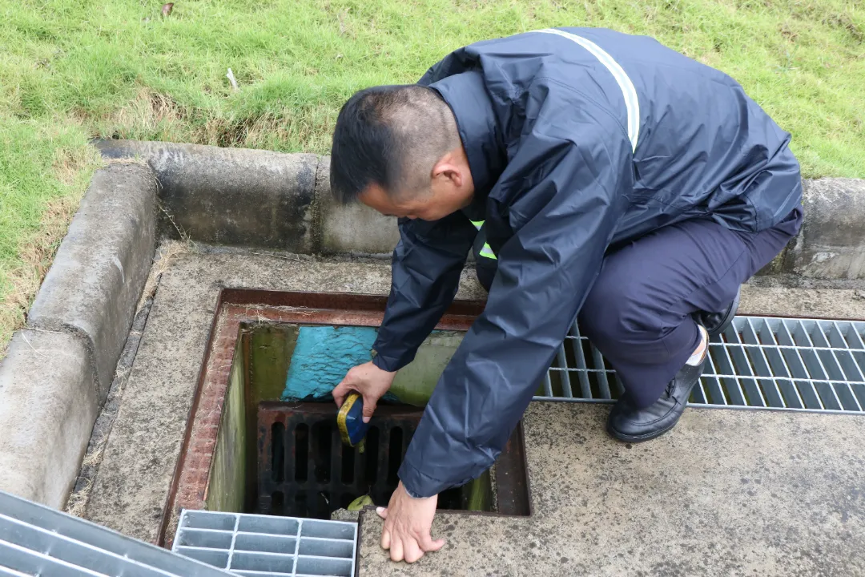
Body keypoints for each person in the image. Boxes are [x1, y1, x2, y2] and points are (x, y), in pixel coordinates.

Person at [328, 27, 803, 563]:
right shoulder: (436, 107)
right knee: (500, 267)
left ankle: (685, 337)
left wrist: (420, 481)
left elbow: (522, 328)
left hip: (739, 200)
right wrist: (387, 359)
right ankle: (676, 275)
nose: (409, 223)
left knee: (613, 304)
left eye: (408, 211)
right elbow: (429, 242)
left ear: (447, 172)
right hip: (653, 180)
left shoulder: (570, 144)